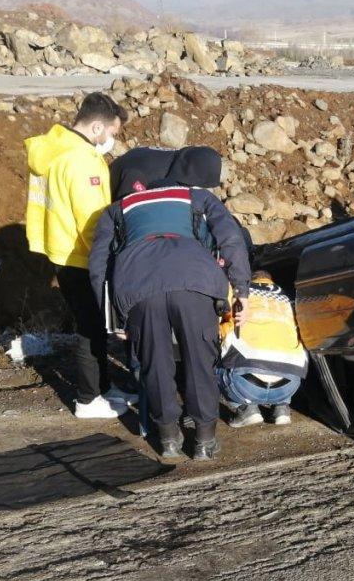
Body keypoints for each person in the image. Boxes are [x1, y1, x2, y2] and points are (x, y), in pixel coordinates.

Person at [89, 146, 251, 460]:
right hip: (195, 283)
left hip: (138, 288)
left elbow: (99, 266)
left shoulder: (116, 210)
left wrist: (113, 320)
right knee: (200, 361)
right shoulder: (197, 198)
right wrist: (241, 290)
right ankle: (203, 440)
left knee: (154, 362)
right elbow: (230, 238)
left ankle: (168, 440)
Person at [25, 92, 134, 418]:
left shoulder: (53, 148)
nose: (112, 140)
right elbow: (93, 223)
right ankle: (88, 399)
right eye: (113, 133)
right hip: (82, 255)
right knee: (92, 327)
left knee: (92, 323)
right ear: (97, 126)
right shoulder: (82, 160)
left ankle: (103, 387)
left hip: (59, 247)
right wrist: (110, 259)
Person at [218, 270, 308, 428]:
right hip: (290, 384)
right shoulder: (288, 299)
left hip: (245, 384)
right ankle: (282, 408)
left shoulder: (239, 293)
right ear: (270, 281)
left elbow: (227, 328)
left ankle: (246, 408)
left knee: (216, 362)